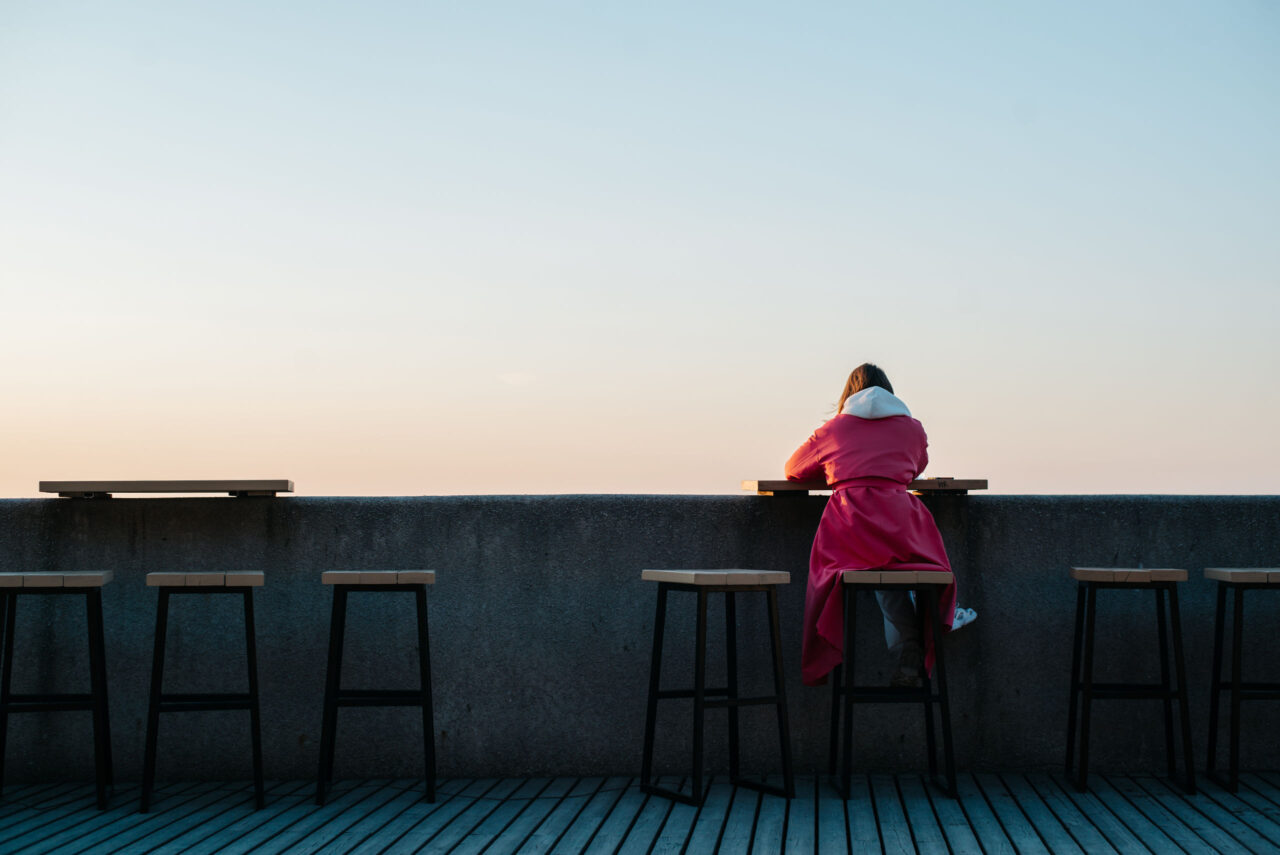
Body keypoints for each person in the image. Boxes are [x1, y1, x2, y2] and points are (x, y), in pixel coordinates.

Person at [785, 363, 974, 687]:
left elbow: (793, 469)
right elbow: (917, 465)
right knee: (897, 570)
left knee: (875, 567)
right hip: (901, 529)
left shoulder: (832, 430)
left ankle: (912, 641)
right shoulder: (912, 428)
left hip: (849, 531)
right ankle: (926, 632)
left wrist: (839, 468)